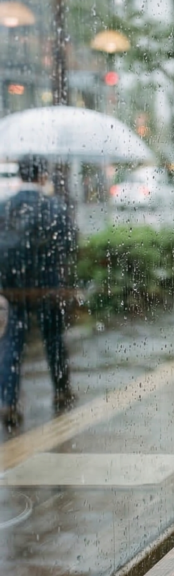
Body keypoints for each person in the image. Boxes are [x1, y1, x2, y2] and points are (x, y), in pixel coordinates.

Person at [0, 155, 77, 428]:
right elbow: (69, 241)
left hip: (13, 287)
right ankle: (61, 391)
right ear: (42, 176)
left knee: (11, 342)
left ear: (21, 175)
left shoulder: (5, 206)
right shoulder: (53, 206)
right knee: (53, 339)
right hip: (47, 286)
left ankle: (8, 401)